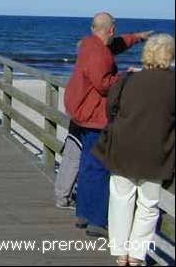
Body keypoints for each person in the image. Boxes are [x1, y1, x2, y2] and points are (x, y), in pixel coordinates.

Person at [64, 12, 152, 238]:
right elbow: (104, 84)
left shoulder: (91, 44)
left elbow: (116, 46)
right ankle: (96, 220)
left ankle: (83, 214)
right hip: (94, 117)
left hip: (83, 114)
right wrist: (127, 76)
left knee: (87, 165)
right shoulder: (98, 52)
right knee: (99, 167)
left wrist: (138, 37)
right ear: (111, 29)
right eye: (115, 30)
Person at [92, 34, 174, 266]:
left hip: (123, 147)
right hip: (157, 150)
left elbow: (111, 111)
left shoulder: (126, 79)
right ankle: (136, 256)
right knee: (148, 205)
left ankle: (120, 253)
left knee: (121, 199)